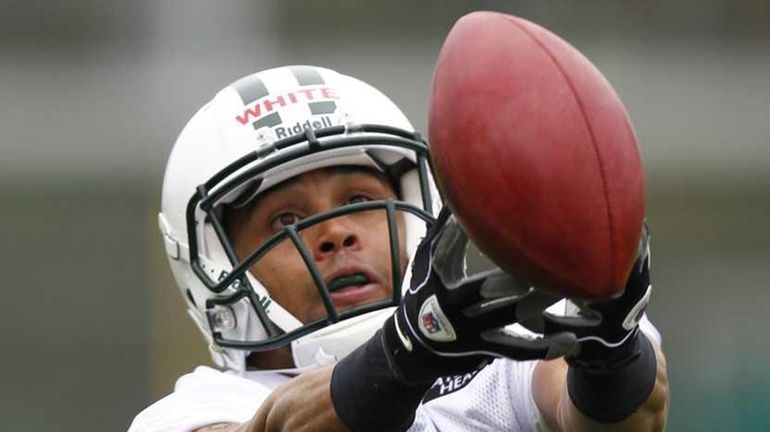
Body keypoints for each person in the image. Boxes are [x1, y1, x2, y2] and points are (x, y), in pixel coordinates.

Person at [129, 65, 669, 432]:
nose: (336, 233)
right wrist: (406, 353)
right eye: (285, 219)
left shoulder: (491, 346)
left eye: (360, 199)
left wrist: (609, 354)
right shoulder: (194, 411)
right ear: (213, 265)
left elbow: (623, 419)